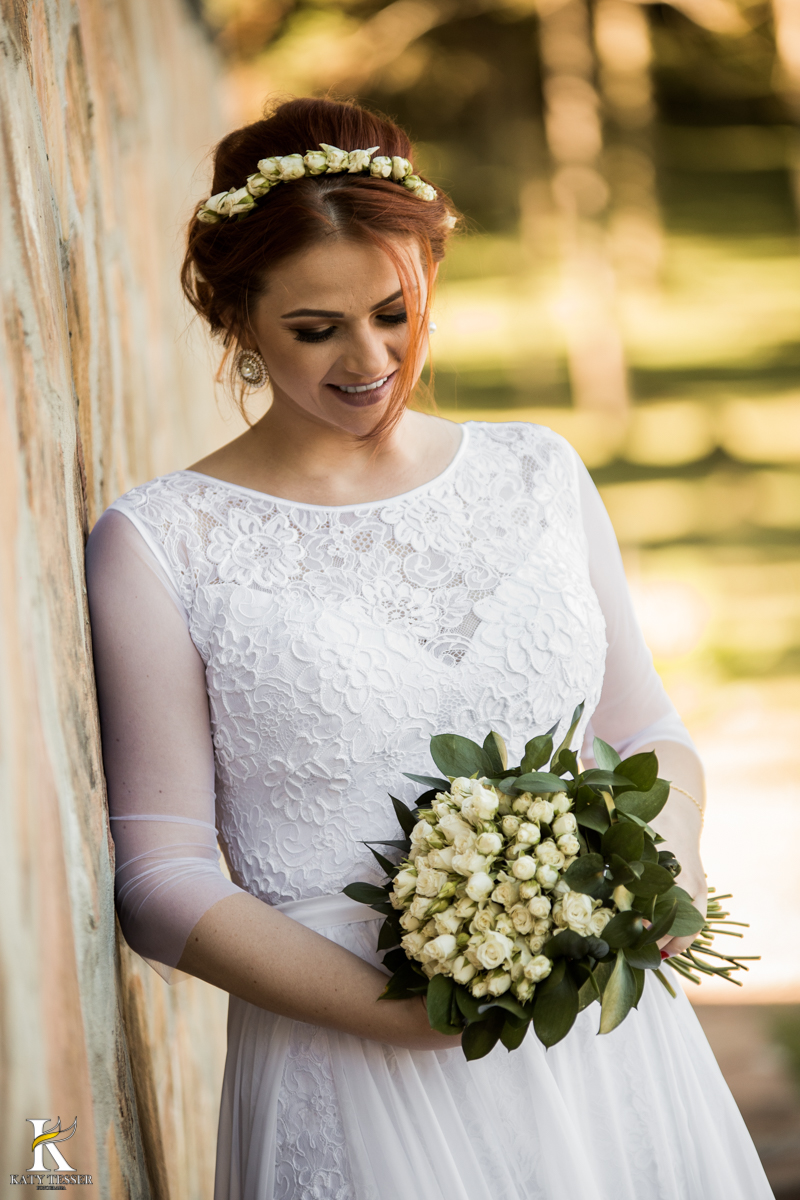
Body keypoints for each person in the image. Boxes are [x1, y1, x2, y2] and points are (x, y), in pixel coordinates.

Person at [85, 97, 773, 1200]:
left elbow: (641, 728)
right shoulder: (162, 543)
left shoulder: (537, 473)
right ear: (236, 318)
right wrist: (409, 1020)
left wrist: (667, 859)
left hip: (596, 1031)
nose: (369, 360)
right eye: (316, 328)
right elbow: (160, 876)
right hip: (348, 1055)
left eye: (392, 311)